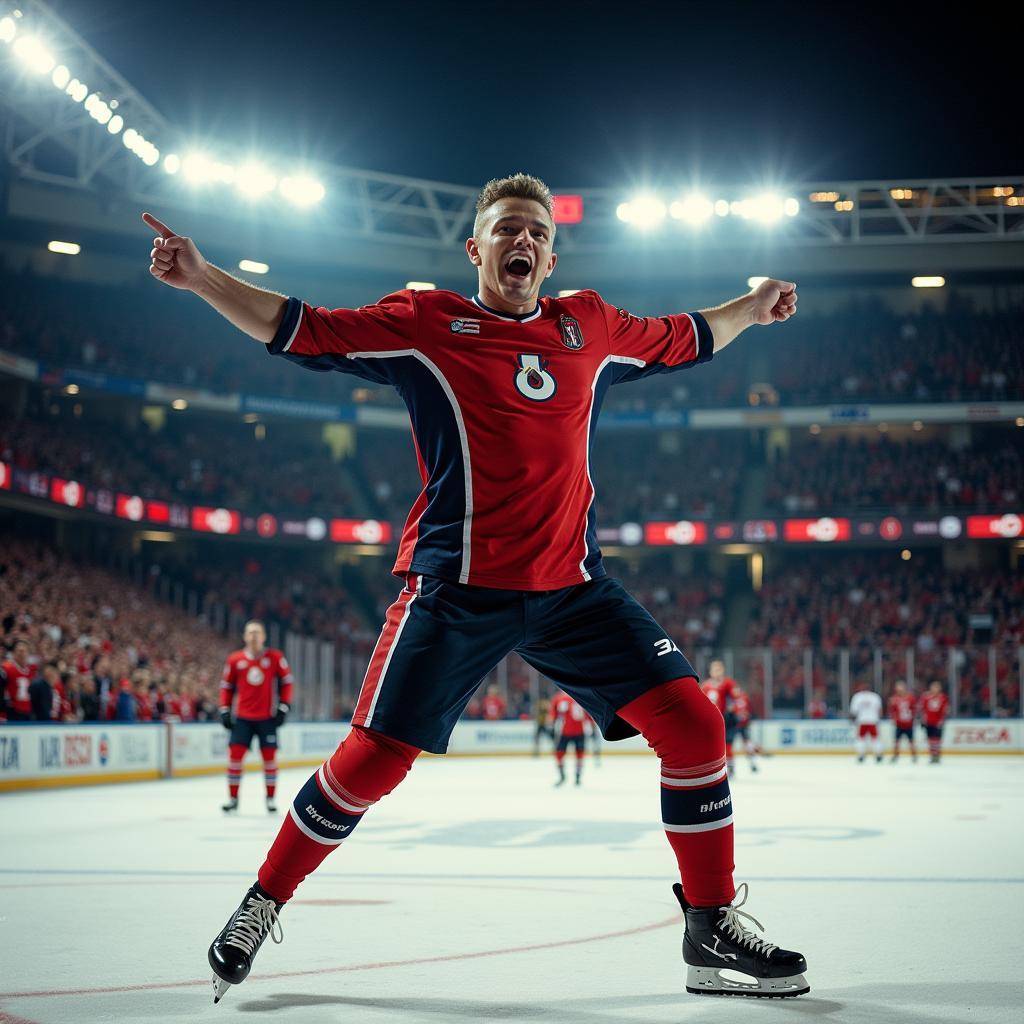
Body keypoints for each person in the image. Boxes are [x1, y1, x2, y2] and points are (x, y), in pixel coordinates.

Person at [142, 172, 808, 1003]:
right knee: (372, 763)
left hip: (572, 587)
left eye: (535, 231)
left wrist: (752, 303)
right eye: (506, 231)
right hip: (455, 589)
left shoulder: (591, 326)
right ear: (476, 249)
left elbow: (689, 335)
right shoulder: (425, 324)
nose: (521, 241)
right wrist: (203, 277)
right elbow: (297, 328)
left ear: (553, 254)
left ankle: (709, 929)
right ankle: (262, 902)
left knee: (697, 725)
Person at [218, 620, 294, 814]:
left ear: (263, 636)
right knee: (235, 757)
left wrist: (284, 706)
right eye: (250, 632)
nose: (253, 636)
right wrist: (225, 709)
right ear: (244, 636)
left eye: (257, 632)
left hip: (266, 718)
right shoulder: (235, 659)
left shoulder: (275, 657)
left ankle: (270, 799)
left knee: (269, 759)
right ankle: (233, 799)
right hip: (242, 718)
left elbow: (287, 682)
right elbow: (226, 687)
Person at [700, 660, 738, 776]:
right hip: (710, 721)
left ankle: (730, 769)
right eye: (714, 669)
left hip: (726, 719)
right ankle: (710, 769)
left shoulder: (728, 683)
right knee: (708, 746)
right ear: (710, 671)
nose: (717, 672)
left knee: (728, 745)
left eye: (719, 669)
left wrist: (733, 709)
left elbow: (736, 698)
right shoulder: (706, 686)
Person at [548, 690, 593, 786]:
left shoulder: (559, 698)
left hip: (565, 731)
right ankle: (577, 776)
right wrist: (592, 728)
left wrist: (552, 727)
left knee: (560, 753)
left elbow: (553, 714)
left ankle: (563, 776)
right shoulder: (582, 696)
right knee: (579, 755)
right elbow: (590, 714)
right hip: (578, 732)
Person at [1, 640, 36, 722]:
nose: (22, 654)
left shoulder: (33, 670)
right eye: (19, 651)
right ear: (13, 653)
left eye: (25, 651)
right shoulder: (6, 669)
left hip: (28, 711)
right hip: (12, 711)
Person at [849, 683, 883, 763]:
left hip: (862, 721)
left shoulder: (857, 697)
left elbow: (853, 711)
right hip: (873, 720)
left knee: (861, 739)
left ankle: (861, 755)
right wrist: (879, 719)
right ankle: (878, 755)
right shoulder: (875, 696)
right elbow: (880, 710)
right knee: (875, 738)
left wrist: (853, 720)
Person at [888, 680, 917, 763]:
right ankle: (895, 755)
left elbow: (914, 709)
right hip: (899, 723)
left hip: (908, 723)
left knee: (911, 740)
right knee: (896, 740)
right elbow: (892, 711)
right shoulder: (894, 699)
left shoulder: (910, 698)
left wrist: (913, 718)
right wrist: (893, 719)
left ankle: (914, 755)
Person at [919, 681, 949, 764]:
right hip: (929, 722)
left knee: (937, 740)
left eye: (937, 687)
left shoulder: (943, 697)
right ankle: (932, 755)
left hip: (938, 722)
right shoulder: (926, 697)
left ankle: (937, 755)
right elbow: (922, 709)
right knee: (930, 740)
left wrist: (942, 720)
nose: (935, 689)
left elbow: (945, 710)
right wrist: (922, 720)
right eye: (933, 687)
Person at [731, 684, 758, 773]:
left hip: (743, 726)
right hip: (734, 726)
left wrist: (747, 718)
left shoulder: (744, 698)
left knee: (747, 744)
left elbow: (749, 711)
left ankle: (752, 763)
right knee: (730, 746)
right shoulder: (731, 699)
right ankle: (731, 767)